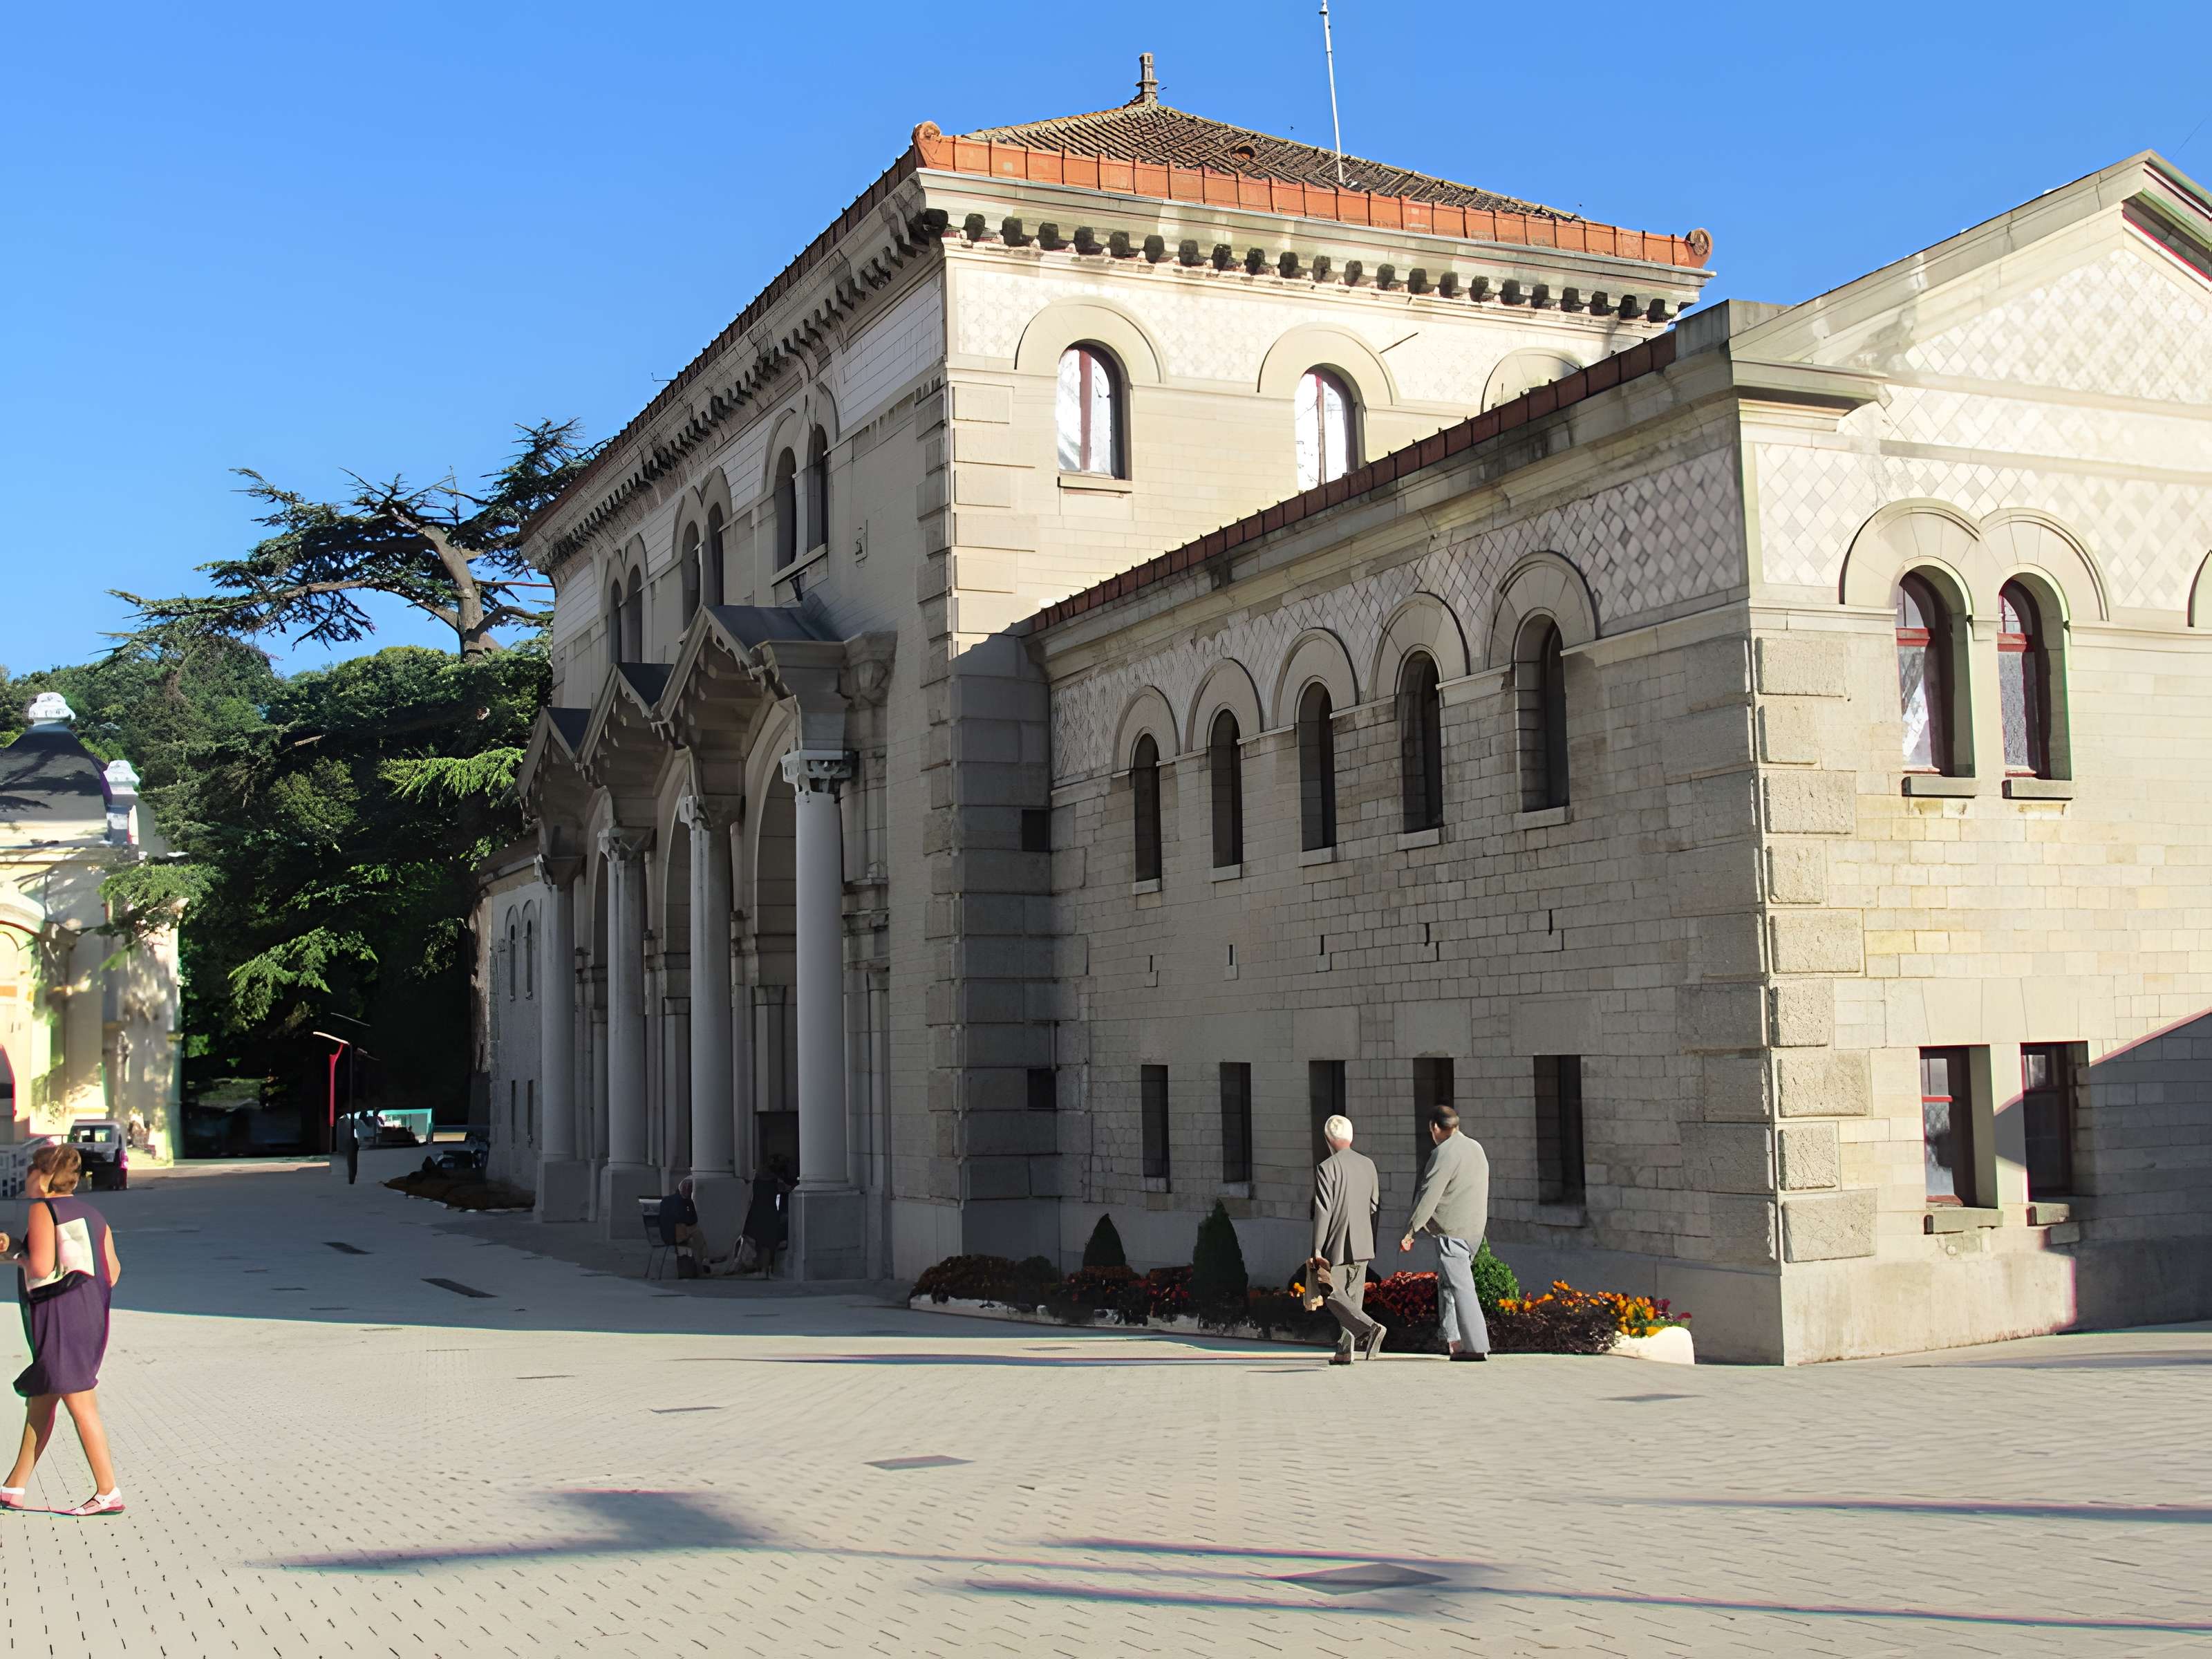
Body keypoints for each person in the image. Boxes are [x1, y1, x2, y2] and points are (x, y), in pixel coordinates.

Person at [0, 1145, 125, 1514]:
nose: (26, 1177)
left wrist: (13, 1255)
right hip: (88, 1315)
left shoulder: (43, 1209)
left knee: (79, 1402)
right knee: (42, 1400)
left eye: (30, 1170)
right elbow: (112, 1271)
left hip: (59, 1319)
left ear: (43, 1176)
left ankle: (108, 1492)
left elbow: (39, 1267)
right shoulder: (93, 1214)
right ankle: (13, 1488)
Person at [1399, 1105, 1492, 1362]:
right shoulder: (1476, 1148)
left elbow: (1430, 1193)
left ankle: (1476, 1346)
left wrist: (1410, 1231)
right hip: (1474, 1229)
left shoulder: (1444, 1153)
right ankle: (1456, 1343)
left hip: (1453, 1231)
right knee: (1449, 1285)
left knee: (1461, 1287)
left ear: (1436, 1128)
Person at [1309, 1114, 1386, 1365]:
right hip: (1363, 1242)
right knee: (1352, 1300)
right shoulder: (1369, 1165)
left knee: (1330, 1291)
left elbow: (1323, 1210)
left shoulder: (1326, 1168)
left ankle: (1371, 1327)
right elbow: (1375, 1206)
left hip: (1337, 1242)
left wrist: (1318, 1248)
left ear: (1328, 1139)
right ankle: (1344, 1350)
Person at [740, 1157, 791, 1277]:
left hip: (757, 1214)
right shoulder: (776, 1182)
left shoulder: (754, 1181)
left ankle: (760, 1268)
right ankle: (764, 1269)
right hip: (769, 1214)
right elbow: (787, 1189)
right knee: (767, 1243)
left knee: (759, 1242)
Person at [659, 1176, 702, 1278]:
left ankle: (702, 1264)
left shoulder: (667, 1200)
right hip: (675, 1235)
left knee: (697, 1237)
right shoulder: (685, 1202)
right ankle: (703, 1265)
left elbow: (690, 1220)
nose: (688, 1190)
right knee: (698, 1237)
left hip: (664, 1235)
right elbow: (689, 1220)